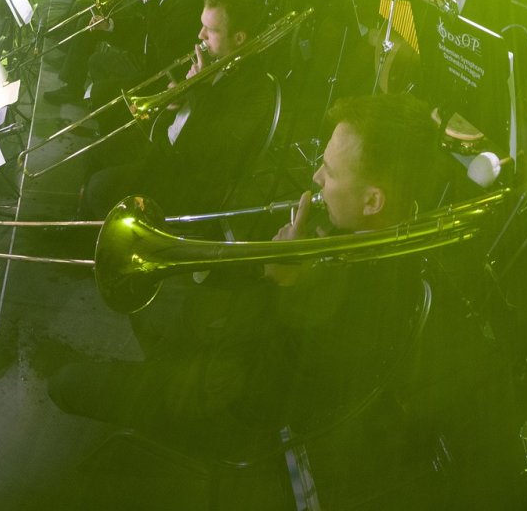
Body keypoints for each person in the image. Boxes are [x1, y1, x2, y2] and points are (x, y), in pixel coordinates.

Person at [49, 94, 444, 438]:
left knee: (65, 384)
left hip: (236, 402)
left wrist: (280, 281)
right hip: (236, 346)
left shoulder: (376, 294)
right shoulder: (370, 228)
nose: (316, 177)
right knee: (154, 306)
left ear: (373, 201)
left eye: (331, 171)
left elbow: (270, 386)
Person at [82, 0, 278, 217]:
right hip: (165, 146)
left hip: (185, 177)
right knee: (94, 152)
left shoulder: (255, 90)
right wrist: (179, 100)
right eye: (202, 25)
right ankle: (86, 222)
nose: (200, 35)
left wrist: (199, 89)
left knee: (98, 189)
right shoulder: (214, 57)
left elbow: (207, 153)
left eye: (211, 30)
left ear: (239, 38)